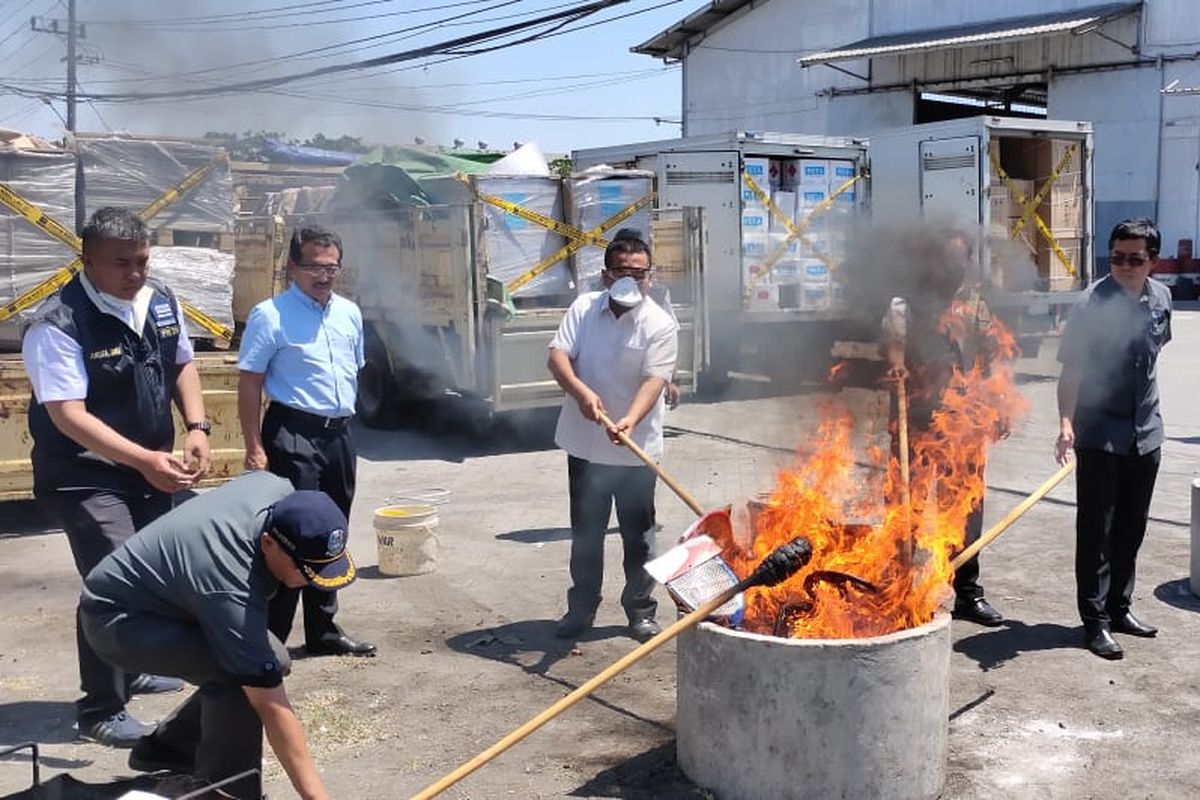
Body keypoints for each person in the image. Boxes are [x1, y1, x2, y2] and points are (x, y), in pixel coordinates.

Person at [22, 206, 211, 747]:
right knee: (114, 580)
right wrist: (146, 460)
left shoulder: (162, 301)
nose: (136, 273)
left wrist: (196, 426)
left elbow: (182, 363)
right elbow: (68, 416)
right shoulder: (57, 322)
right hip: (83, 474)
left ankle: (137, 663)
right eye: (122, 264)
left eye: (143, 260)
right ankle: (100, 709)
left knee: (154, 572)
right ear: (87, 262)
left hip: (149, 466)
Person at [80, 471, 354, 800]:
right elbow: (271, 705)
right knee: (238, 676)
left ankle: (171, 748)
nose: (310, 582)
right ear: (268, 542)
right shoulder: (229, 581)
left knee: (272, 660)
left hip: (173, 598)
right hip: (119, 621)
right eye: (305, 571)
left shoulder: (278, 491)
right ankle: (227, 791)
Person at [237, 223, 375, 657]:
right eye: (314, 266)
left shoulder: (349, 313)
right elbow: (250, 382)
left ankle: (324, 630)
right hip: (293, 433)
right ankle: (272, 638)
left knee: (331, 532)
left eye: (332, 267)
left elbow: (354, 369)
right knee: (292, 536)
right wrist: (254, 445)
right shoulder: (271, 315)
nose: (324, 275)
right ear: (293, 266)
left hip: (338, 436)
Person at [548, 233, 679, 642]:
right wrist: (581, 391)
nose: (631, 280)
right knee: (586, 532)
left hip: (634, 449)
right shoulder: (584, 309)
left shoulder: (660, 323)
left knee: (638, 535)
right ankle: (580, 609)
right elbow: (557, 357)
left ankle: (640, 611)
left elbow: (655, 379)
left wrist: (630, 419)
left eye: (639, 273)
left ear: (650, 277)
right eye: (622, 271)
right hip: (585, 446)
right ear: (607, 275)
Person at [1055, 218, 1172, 660]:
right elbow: (1073, 372)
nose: (1123, 266)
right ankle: (1095, 621)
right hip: (1101, 431)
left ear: (1152, 262)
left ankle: (1120, 607)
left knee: (1132, 527)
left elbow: (1153, 357)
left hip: (1146, 431)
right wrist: (1067, 423)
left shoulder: (1161, 298)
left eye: (1134, 259)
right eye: (1117, 257)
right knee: (1096, 530)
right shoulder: (1091, 306)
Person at [883, 231, 1006, 627]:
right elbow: (895, 339)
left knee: (966, 511)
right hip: (917, 418)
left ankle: (967, 593)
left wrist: (997, 401)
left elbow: (991, 354)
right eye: (944, 260)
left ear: (967, 263)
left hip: (964, 422)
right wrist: (897, 363)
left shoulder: (976, 303)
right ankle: (899, 589)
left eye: (959, 261)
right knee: (907, 508)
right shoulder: (907, 301)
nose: (951, 269)